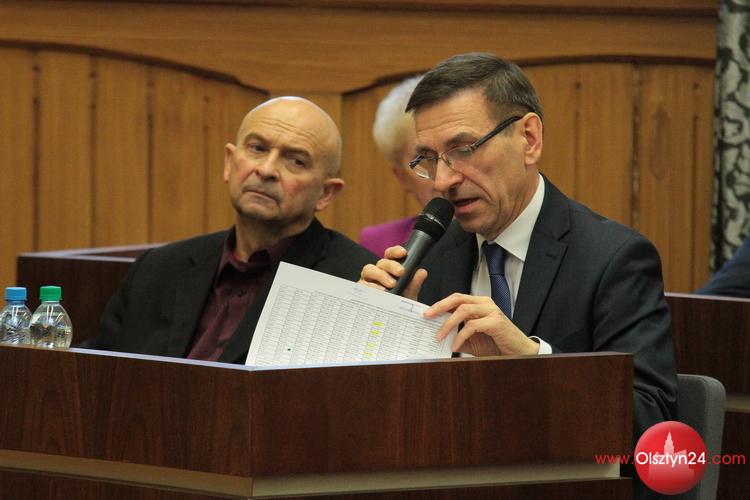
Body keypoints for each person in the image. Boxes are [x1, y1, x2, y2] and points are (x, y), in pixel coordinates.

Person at [360, 53, 677, 448]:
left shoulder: (614, 259)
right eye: (428, 159)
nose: (443, 180)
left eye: (464, 149)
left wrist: (531, 359)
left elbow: (653, 427)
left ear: (529, 138)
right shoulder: (428, 258)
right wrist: (387, 329)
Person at [93, 97, 377, 363]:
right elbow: (99, 372)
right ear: (229, 162)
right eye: (258, 148)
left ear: (326, 193)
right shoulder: (158, 268)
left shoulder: (355, 284)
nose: (266, 170)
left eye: (296, 161)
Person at [360, 75, 439, 257]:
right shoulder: (381, 244)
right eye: (424, 159)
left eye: (458, 151)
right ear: (402, 177)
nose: (444, 176)